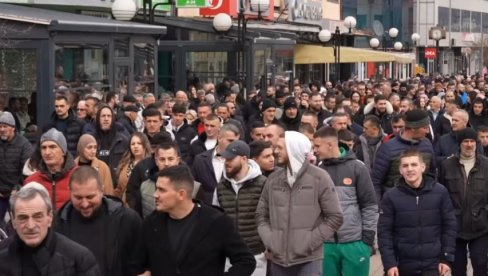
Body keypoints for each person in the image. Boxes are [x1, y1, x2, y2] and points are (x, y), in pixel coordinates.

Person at [133, 165, 256, 275]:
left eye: (161, 190)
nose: (155, 194)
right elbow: (137, 263)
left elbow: (246, 261)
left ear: (181, 194)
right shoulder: (151, 223)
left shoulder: (217, 222)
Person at [256, 131, 343, 275]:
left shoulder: (320, 178)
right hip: (278, 261)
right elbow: (261, 215)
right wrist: (271, 241)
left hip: (309, 260)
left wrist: (309, 242)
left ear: (293, 149)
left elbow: (335, 217)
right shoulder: (272, 179)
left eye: (280, 148)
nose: (275, 151)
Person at [378, 149, 456, 276]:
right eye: (405, 165)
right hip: (402, 265)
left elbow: (450, 227)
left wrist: (446, 258)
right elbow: (384, 233)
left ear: (423, 167)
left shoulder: (440, 192)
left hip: (433, 264)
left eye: (414, 164)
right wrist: (389, 264)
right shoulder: (390, 196)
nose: (409, 169)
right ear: (400, 170)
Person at [313, 127, 378, 276]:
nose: (314, 150)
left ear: (330, 145)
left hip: (354, 244)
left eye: (317, 146)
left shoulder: (358, 168)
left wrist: (367, 241)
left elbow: (370, 206)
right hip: (326, 245)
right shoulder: (317, 170)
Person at [55, 166, 142, 276]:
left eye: (90, 197)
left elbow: (140, 263)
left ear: (102, 190)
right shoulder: (57, 223)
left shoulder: (127, 220)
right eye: (78, 198)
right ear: (70, 191)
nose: (85, 204)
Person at [0, 183, 100, 275]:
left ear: (50, 217)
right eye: (23, 218)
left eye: (38, 216)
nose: (30, 225)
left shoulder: (79, 259)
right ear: (13, 220)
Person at [213, 140, 267, 276]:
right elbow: (214, 218)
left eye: (231, 159)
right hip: (228, 256)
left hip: (256, 254)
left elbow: (271, 217)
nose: (227, 162)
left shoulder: (263, 184)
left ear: (244, 159)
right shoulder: (221, 186)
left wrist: (269, 246)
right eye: (225, 159)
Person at [438, 127, 488, 276]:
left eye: (472, 141)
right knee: (458, 267)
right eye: (465, 141)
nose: (469, 144)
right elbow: (442, 194)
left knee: (480, 263)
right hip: (455, 226)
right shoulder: (447, 165)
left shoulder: (486, 165)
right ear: (459, 143)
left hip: (481, 225)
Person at [372, 109, 436, 202]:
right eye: (425, 127)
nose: (427, 131)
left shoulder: (427, 144)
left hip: (423, 201)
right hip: (395, 203)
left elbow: (432, 174)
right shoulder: (387, 148)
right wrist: (378, 208)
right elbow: (376, 181)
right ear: (413, 128)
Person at [24, 128, 77, 211]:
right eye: (44, 148)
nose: (47, 152)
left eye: (53, 147)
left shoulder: (79, 176)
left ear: (63, 151)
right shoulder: (31, 182)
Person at [191, 123, 240, 204]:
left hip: (230, 209)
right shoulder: (200, 160)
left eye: (236, 142)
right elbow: (193, 188)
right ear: (219, 138)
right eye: (230, 141)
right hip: (206, 209)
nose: (234, 145)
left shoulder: (240, 161)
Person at [0, 111, 33, 223]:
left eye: (5, 126)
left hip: (16, 192)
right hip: (0, 191)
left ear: (13, 128)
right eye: (0, 127)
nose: (2, 130)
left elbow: (27, 171)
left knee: (17, 223)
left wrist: (17, 188)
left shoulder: (24, 144)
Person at [114, 132, 151, 200]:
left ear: (145, 145)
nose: (135, 146)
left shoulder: (151, 165)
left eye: (139, 143)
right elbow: (119, 189)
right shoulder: (124, 164)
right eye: (133, 144)